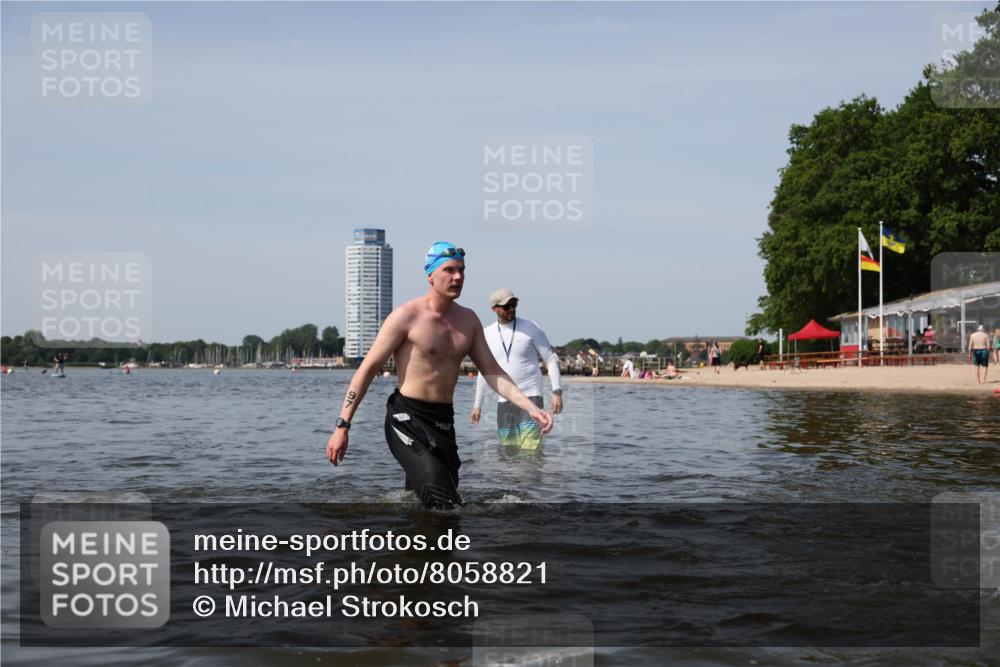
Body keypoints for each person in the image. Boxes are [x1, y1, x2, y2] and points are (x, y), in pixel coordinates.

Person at [325, 242, 553, 509]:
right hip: (406, 419)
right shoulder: (406, 316)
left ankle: (412, 548)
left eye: (462, 270)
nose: (458, 277)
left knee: (423, 502)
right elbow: (366, 370)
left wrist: (530, 407)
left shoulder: (468, 321)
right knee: (444, 504)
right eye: (449, 270)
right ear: (430, 275)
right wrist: (343, 426)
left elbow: (493, 372)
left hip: (444, 422)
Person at [469, 288, 563, 449]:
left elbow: (550, 360)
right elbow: (484, 373)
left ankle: (532, 475)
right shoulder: (486, 334)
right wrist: (477, 405)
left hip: (532, 396)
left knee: (530, 448)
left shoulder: (531, 327)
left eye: (514, 304)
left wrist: (557, 392)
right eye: (507, 306)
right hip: (505, 400)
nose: (512, 309)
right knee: (509, 449)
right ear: (494, 309)